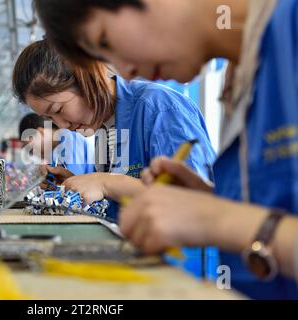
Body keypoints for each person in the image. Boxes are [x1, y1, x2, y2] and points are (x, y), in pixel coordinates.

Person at [34, 0, 298, 298]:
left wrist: (214, 217)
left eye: (106, 40)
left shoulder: (290, 31)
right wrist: (206, 198)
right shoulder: (239, 79)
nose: (126, 71)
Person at [12, 39, 216, 278]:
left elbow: (197, 205)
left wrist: (105, 182)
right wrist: (80, 182)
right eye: (50, 119)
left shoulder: (159, 108)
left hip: (182, 271)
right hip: (138, 262)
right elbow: (123, 196)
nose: (62, 125)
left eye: (58, 110)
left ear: (88, 76)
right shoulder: (103, 129)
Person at [18, 113, 95, 175]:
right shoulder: (55, 152)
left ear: (41, 132)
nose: (33, 154)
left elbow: (74, 180)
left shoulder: (68, 140)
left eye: (31, 149)